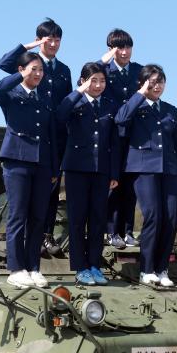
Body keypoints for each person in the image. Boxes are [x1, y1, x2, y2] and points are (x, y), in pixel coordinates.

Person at [0, 19, 73, 257]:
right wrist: (28, 47)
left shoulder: (63, 70)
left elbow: (67, 103)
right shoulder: (28, 64)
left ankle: (46, 235)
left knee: (50, 189)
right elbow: (3, 64)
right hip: (26, 138)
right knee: (23, 199)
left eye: (57, 39)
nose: (53, 43)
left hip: (54, 136)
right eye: (48, 39)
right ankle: (27, 241)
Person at [0, 52, 59, 288]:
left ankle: (33, 267)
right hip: (17, 160)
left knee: (38, 217)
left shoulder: (45, 99)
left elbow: (51, 137)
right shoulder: (11, 94)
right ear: (22, 69)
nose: (38, 74)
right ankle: (16, 268)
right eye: (33, 69)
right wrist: (19, 75)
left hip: (42, 163)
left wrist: (54, 167)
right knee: (18, 215)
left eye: (40, 70)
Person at [115, 65, 177, 287]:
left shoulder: (170, 110)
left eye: (161, 82)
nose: (158, 86)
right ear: (143, 83)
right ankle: (146, 270)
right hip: (143, 169)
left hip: (170, 170)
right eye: (153, 82)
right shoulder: (134, 106)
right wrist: (141, 93)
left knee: (171, 218)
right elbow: (120, 119)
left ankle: (162, 269)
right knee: (153, 216)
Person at [57, 63, 120, 285]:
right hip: (76, 169)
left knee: (98, 220)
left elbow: (114, 141)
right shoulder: (74, 102)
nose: (98, 85)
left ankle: (95, 265)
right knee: (77, 219)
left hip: (101, 170)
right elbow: (60, 115)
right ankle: (80, 267)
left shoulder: (111, 106)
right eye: (93, 80)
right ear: (83, 81)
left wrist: (114, 172)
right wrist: (80, 92)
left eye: (102, 81)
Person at [99, 29, 142, 249]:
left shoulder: (138, 71)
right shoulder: (103, 71)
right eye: (119, 47)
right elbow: (87, 77)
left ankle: (127, 231)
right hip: (112, 134)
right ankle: (111, 231)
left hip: (134, 135)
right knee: (113, 183)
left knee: (130, 186)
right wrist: (102, 62)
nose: (125, 52)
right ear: (111, 50)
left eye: (128, 47)